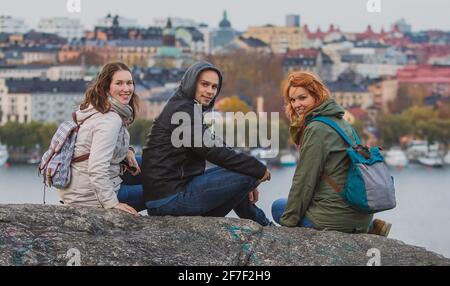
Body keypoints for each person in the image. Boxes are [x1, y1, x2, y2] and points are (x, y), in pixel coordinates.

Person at [140, 61, 272, 226]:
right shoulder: (182, 110)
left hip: (170, 196)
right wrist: (257, 170)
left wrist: (248, 178)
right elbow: (212, 151)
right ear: (191, 83)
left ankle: (261, 223)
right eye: (204, 84)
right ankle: (264, 224)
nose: (210, 91)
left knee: (243, 171)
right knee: (247, 172)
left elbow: (215, 142)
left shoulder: (187, 107)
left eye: (214, 87)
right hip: (169, 201)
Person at [271, 71, 391, 235]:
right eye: (292, 100)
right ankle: (369, 228)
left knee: (278, 207)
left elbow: (304, 180)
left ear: (317, 95)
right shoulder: (342, 122)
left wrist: (287, 228)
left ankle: (353, 228)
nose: (296, 104)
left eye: (302, 97)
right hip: (361, 212)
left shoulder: (316, 128)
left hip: (335, 219)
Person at [58, 62, 143, 216]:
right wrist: (112, 203)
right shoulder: (110, 120)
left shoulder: (97, 107)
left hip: (78, 187)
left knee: (154, 164)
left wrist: (127, 152)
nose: (126, 89)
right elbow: (96, 168)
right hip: (88, 197)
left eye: (129, 83)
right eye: (119, 83)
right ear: (106, 87)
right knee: (160, 190)